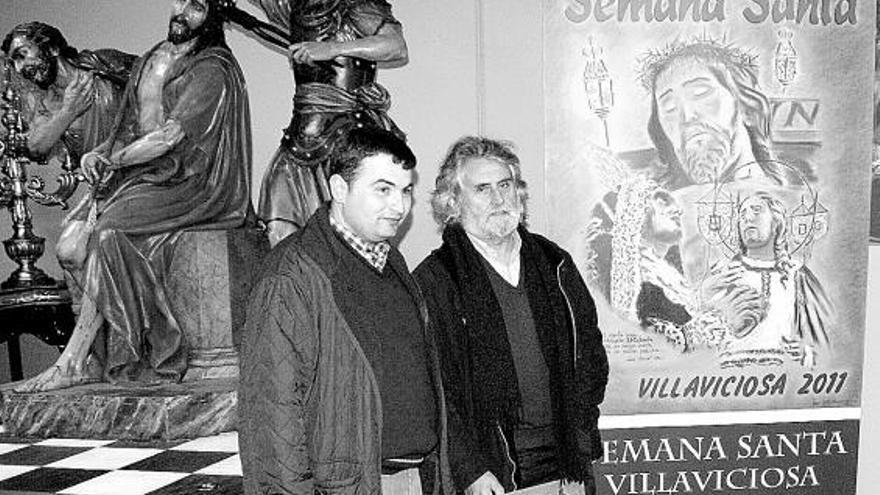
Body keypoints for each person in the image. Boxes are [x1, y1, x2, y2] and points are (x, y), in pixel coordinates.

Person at [13, 0, 253, 392]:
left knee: (109, 233)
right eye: (178, 1)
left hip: (192, 181)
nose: (181, 11)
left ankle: (135, 350)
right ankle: (93, 356)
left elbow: (168, 137)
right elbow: (128, 127)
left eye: (195, 6)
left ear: (213, 14)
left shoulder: (214, 68)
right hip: (144, 173)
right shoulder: (149, 60)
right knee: (77, 243)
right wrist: (101, 152)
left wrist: (116, 160)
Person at [239, 127, 454, 495]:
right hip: (349, 486)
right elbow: (273, 421)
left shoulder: (391, 262)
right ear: (340, 189)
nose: (399, 206)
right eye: (383, 189)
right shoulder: (292, 277)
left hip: (416, 479)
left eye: (405, 191)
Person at [414, 137, 609, 494]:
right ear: (453, 201)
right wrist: (468, 468)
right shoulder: (436, 280)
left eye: (505, 185)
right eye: (482, 189)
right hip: (494, 468)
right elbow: (432, 390)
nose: (498, 199)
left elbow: (591, 353)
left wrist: (582, 426)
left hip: (568, 457)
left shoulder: (555, 262)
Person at [253, 0, 409, 246]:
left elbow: (396, 46)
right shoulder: (296, 7)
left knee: (351, 228)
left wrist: (334, 49)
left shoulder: (358, 6)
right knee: (278, 220)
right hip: (303, 134)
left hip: (347, 133)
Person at [639, 37, 805, 189]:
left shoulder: (793, 200)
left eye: (701, 92)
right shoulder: (666, 210)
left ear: (747, 108)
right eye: (669, 108)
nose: (687, 116)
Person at [713, 191, 833, 368]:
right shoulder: (722, 275)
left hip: (780, 377)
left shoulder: (797, 275)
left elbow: (828, 343)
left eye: (756, 210)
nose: (747, 218)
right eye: (742, 214)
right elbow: (698, 340)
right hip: (727, 376)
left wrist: (805, 352)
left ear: (777, 223)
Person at [2, 21, 135, 165]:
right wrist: (68, 111)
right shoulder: (44, 105)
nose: (19, 68)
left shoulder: (102, 64)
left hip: (147, 154)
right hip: (110, 177)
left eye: (22, 55)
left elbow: (151, 77)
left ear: (52, 48)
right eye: (13, 63)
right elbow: (35, 148)